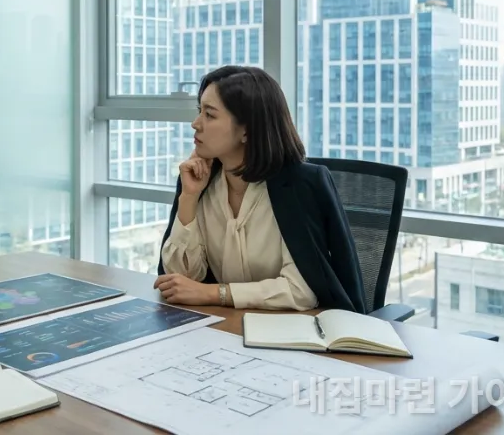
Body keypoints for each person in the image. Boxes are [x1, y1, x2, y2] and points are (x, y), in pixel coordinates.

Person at [153, 65, 366, 313]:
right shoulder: (199, 180)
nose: (195, 123)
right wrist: (189, 197)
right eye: (199, 111)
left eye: (209, 115)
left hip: (293, 335)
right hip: (223, 329)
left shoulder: (300, 185)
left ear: (247, 130)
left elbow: (302, 290)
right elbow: (178, 282)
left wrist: (214, 293)